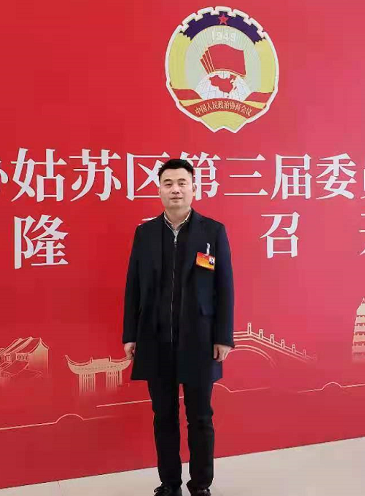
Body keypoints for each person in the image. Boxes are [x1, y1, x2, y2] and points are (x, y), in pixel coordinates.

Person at [122, 158, 235, 496]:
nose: (175, 189)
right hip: (155, 338)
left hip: (200, 339)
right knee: (164, 416)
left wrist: (223, 336)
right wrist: (130, 334)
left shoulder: (212, 232)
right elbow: (133, 287)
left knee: (200, 416)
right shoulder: (145, 234)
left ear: (194, 188)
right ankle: (169, 484)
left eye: (182, 183)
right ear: (159, 190)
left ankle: (200, 485)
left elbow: (224, 287)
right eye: (168, 183)